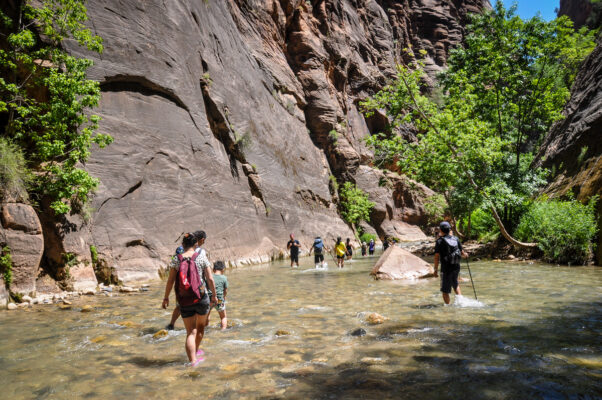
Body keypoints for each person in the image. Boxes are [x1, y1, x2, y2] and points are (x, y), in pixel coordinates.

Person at [162, 233, 217, 367]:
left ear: (183, 245)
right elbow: (210, 278)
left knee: (190, 332)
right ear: (195, 244)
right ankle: (196, 352)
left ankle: (192, 361)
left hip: (184, 300)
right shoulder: (201, 256)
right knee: (200, 328)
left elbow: (170, 281)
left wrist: (166, 297)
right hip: (201, 297)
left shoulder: (177, 259)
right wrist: (214, 296)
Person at [433, 221, 468, 305]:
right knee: (455, 284)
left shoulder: (439, 241)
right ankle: (461, 303)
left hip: (446, 268)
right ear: (449, 230)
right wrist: (466, 255)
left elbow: (437, 257)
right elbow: (463, 253)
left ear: (441, 230)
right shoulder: (456, 239)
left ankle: (448, 308)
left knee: (445, 290)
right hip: (456, 266)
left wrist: (435, 269)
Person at [207, 261, 228, 330]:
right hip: (219, 300)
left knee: (207, 315)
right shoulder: (224, 278)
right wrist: (224, 297)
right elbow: (225, 290)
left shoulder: (209, 277)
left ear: (213, 269)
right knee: (223, 317)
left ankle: (206, 328)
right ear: (223, 269)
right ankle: (223, 330)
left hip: (209, 299)